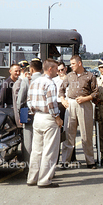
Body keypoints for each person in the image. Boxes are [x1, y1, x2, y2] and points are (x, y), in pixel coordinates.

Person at [26, 58, 63, 188]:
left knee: (37, 150)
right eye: (56, 69)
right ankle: (44, 180)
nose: (57, 72)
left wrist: (34, 111)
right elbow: (52, 103)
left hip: (37, 117)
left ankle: (32, 177)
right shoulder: (50, 84)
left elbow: (29, 101)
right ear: (50, 69)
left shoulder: (34, 82)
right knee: (49, 151)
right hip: (48, 118)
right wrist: (57, 117)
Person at [59, 55, 99, 169]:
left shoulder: (90, 76)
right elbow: (61, 89)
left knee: (86, 134)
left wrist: (85, 98)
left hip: (84, 104)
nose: (71, 66)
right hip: (71, 104)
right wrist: (63, 100)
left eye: (73, 64)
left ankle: (90, 161)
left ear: (79, 63)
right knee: (68, 133)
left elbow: (96, 92)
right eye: (70, 64)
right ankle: (65, 161)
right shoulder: (69, 76)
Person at [16, 59, 43, 167]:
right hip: (44, 115)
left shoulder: (26, 81)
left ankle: (29, 168)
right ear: (41, 69)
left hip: (29, 115)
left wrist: (20, 114)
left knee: (28, 143)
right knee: (43, 143)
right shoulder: (47, 80)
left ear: (31, 69)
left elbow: (20, 101)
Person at [13, 60, 30, 129]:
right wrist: (21, 117)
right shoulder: (19, 83)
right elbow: (19, 102)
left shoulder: (22, 82)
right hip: (22, 117)